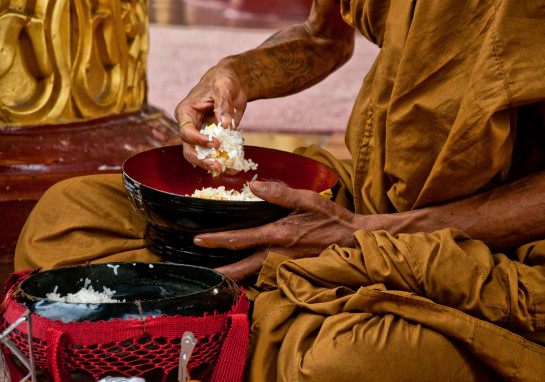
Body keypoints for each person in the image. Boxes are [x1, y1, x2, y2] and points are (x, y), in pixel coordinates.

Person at [14, 0, 545, 380]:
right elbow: (323, 38)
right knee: (67, 214)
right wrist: (233, 74)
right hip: (370, 190)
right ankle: (240, 321)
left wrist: (366, 237)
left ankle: (192, 328)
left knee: (348, 363)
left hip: (482, 244)